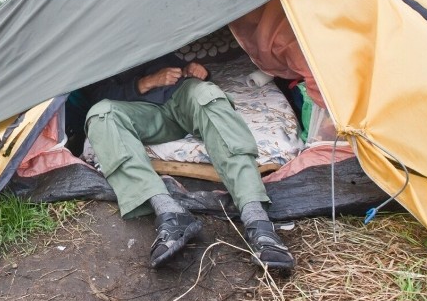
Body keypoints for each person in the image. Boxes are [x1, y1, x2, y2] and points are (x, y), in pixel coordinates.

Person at [81, 52, 295, 270]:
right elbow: (96, 94)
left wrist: (193, 69)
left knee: (208, 94)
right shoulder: (93, 40)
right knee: (100, 115)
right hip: (139, 112)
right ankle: (169, 212)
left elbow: (175, 65)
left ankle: (257, 220)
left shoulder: (148, 27)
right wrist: (146, 83)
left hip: (180, 97)